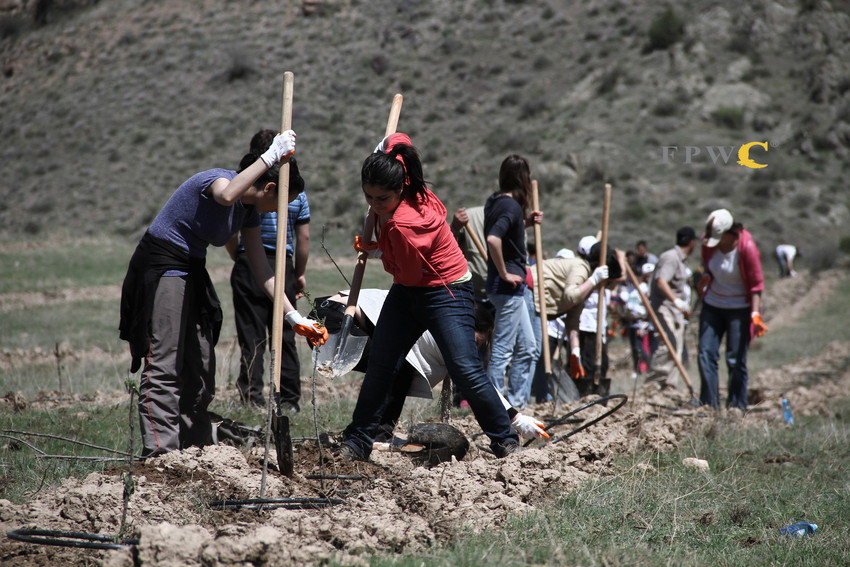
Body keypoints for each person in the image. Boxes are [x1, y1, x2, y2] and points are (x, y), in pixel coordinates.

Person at [119, 130, 327, 458]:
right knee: (165, 359)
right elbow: (227, 195)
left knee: (200, 359)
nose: (277, 212)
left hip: (191, 267)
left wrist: (294, 316)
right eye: (280, 204)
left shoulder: (248, 213)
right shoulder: (218, 180)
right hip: (162, 265)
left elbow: (263, 271)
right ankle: (160, 453)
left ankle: (193, 439)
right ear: (269, 188)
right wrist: (270, 156)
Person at [339, 133, 523, 461]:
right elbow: (400, 140)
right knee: (382, 363)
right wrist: (386, 147)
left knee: (464, 367)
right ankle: (357, 441)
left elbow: (402, 271)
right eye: (368, 196)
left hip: (445, 290)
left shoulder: (404, 227)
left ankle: (505, 439)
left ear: (400, 189)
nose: (373, 205)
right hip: (409, 289)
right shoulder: (405, 180)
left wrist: (377, 246)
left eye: (381, 199)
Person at [312, 290, 548, 442]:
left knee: (400, 368)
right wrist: (515, 418)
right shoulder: (445, 330)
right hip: (336, 319)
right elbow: (474, 381)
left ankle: (377, 433)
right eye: (475, 341)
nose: (472, 347)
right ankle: (372, 435)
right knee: (396, 366)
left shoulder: (444, 323)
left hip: (333, 316)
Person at [226, 130, 311, 411]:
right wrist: (299, 273)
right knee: (285, 336)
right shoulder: (297, 194)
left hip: (249, 264)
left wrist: (237, 256)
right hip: (281, 265)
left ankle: (252, 397)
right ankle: (290, 399)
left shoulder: (252, 188)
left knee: (251, 336)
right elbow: (304, 238)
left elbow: (230, 233)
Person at [483, 154, 543, 409]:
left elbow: (505, 236)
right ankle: (497, 407)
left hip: (509, 289)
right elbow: (493, 239)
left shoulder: (495, 202)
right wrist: (505, 273)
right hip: (507, 287)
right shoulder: (510, 207)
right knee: (503, 351)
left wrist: (524, 224)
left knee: (529, 348)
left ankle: (517, 404)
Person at [697, 209, 768, 410]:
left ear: (730, 233)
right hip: (712, 305)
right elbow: (707, 267)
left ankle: (737, 406)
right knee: (705, 352)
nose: (715, 241)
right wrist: (705, 278)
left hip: (740, 309)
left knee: (735, 358)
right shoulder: (708, 244)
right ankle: (709, 406)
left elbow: (756, 285)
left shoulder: (747, 248)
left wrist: (755, 314)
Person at [530, 247, 611, 399]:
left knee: (544, 359)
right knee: (532, 353)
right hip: (535, 304)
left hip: (556, 324)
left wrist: (575, 353)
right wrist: (594, 279)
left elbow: (573, 321)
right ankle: (530, 399)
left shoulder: (584, 288)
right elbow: (571, 296)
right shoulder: (580, 269)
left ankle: (544, 398)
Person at [646, 226, 697, 389]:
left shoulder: (680, 260)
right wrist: (676, 301)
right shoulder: (671, 257)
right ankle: (654, 383)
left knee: (677, 346)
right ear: (692, 243)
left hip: (674, 310)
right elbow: (661, 282)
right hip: (664, 308)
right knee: (668, 344)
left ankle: (669, 385)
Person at [575, 236, 625, 397]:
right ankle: (587, 395)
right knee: (589, 364)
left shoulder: (603, 275)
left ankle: (598, 392)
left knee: (602, 364)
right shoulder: (585, 272)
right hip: (587, 325)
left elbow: (619, 276)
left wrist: (619, 260)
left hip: (599, 326)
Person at [618, 262, 655, 378]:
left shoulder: (643, 288)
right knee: (634, 348)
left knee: (640, 347)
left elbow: (647, 302)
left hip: (641, 322)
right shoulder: (630, 289)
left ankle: (650, 365)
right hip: (631, 322)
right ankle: (637, 369)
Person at [450, 206, 488, 302]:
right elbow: (449, 246)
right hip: (475, 293)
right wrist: (455, 227)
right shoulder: (470, 216)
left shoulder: (511, 215)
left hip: (506, 291)